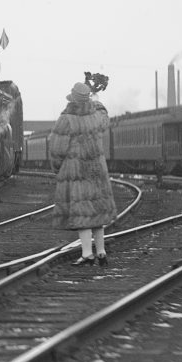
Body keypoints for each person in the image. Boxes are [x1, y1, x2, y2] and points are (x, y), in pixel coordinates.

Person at [48, 81, 118, 266]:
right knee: (97, 214)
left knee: (82, 215)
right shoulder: (96, 116)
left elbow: (56, 148)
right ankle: (101, 251)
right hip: (96, 171)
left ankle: (87, 254)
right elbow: (105, 115)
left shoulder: (66, 119)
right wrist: (96, 99)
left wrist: (58, 168)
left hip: (76, 172)